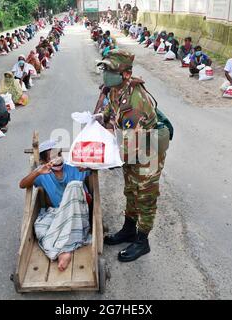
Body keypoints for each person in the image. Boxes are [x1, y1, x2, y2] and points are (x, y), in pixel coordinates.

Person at [97, 50, 169, 262]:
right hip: (131, 148)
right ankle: (129, 229)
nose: (106, 74)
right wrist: (99, 118)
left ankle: (142, 240)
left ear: (126, 74)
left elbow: (128, 150)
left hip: (147, 153)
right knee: (130, 191)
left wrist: (98, 161)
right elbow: (110, 114)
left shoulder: (135, 102)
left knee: (145, 196)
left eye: (111, 70)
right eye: (104, 69)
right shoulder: (114, 90)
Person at [19, 140, 92, 271]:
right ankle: (64, 251)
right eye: (52, 158)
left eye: (59, 155)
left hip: (78, 212)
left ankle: (65, 250)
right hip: (59, 213)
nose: (57, 160)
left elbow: (94, 168)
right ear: (44, 161)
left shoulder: (73, 167)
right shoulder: (43, 173)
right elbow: (22, 184)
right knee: (40, 228)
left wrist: (87, 165)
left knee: (74, 185)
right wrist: (38, 172)